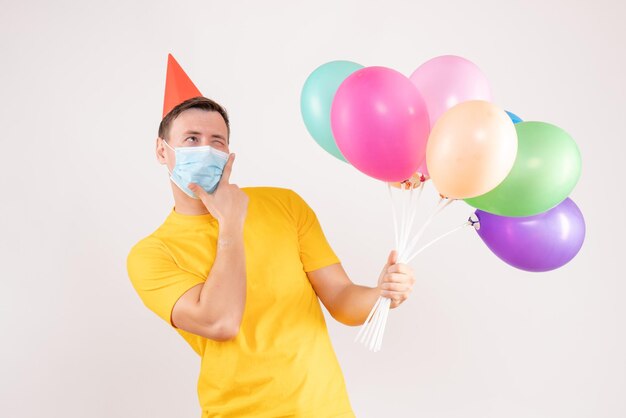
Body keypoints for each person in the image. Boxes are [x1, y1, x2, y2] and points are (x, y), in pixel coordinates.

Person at [126, 54, 416, 417]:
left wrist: (381, 294)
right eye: (191, 138)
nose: (205, 149)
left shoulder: (285, 205)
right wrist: (230, 224)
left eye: (217, 141)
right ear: (161, 150)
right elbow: (221, 321)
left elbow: (341, 299)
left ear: (229, 153)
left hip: (324, 408)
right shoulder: (152, 255)